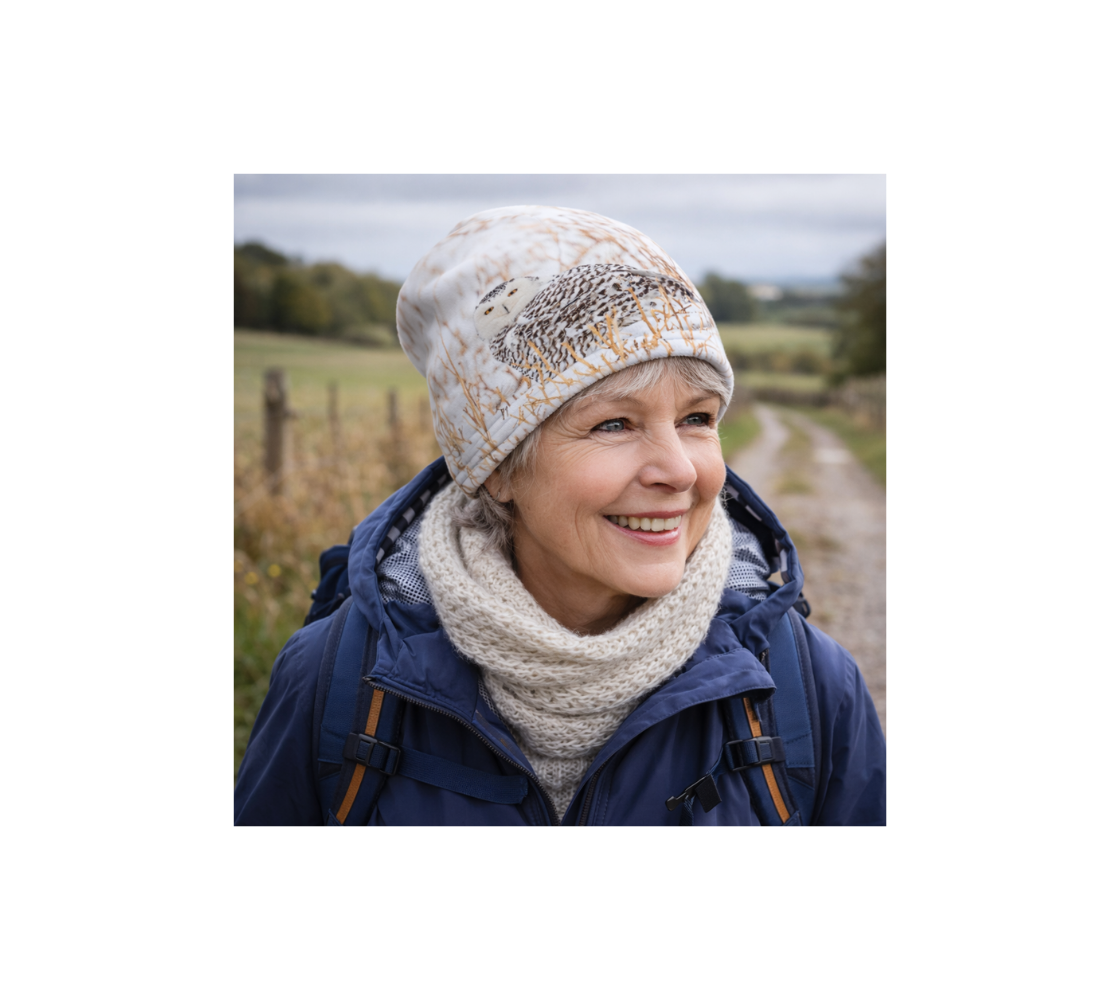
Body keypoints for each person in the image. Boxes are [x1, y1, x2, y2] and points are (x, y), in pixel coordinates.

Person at [233, 206, 887, 826]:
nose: (680, 471)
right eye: (614, 423)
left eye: (696, 419)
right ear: (494, 465)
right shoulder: (341, 683)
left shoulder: (808, 690)